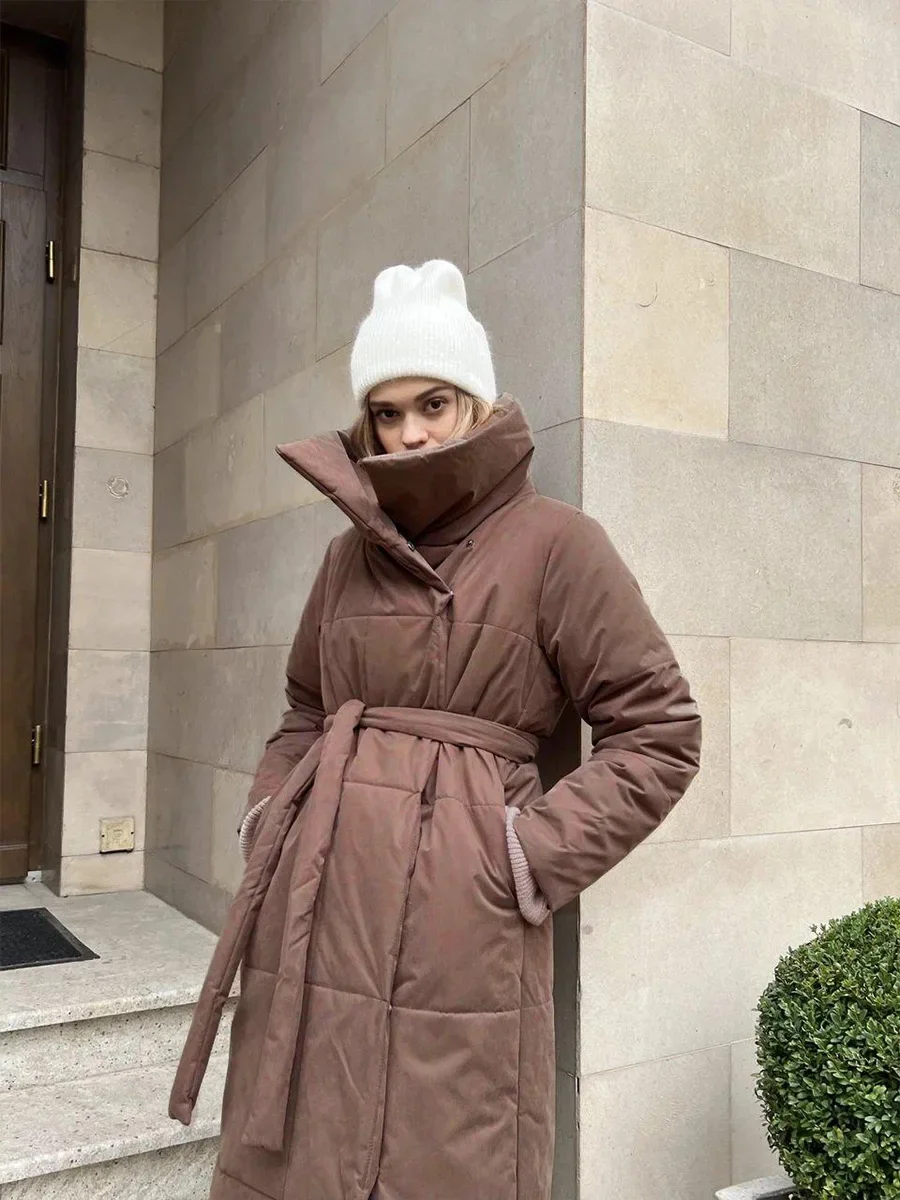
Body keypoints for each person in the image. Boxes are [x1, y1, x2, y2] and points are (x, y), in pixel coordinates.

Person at [170, 259, 702, 1200]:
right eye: (387, 412)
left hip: (462, 922)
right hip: (315, 905)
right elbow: (304, 708)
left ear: (476, 404)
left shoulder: (558, 543)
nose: (410, 432)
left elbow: (660, 732)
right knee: (304, 1147)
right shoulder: (344, 557)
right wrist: (269, 820)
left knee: (444, 1149)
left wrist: (520, 856)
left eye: (434, 404)